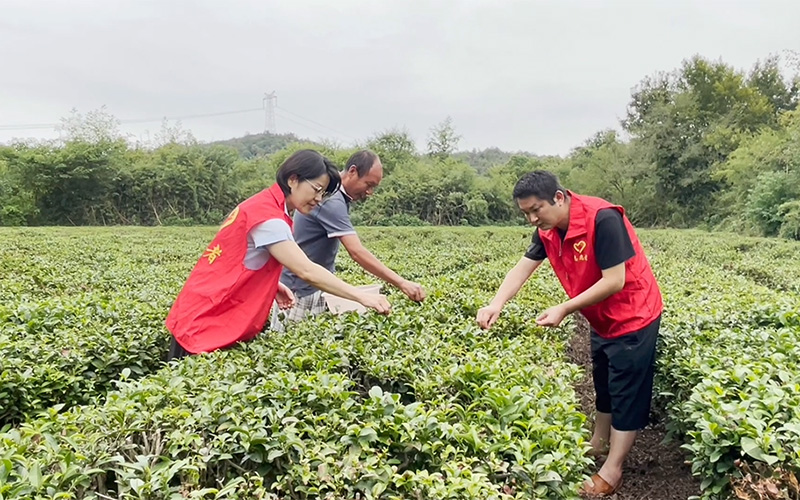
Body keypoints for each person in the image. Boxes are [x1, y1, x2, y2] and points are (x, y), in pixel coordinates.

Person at [475, 170, 662, 497]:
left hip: (634, 314)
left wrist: (564, 308)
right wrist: (496, 304)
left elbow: (614, 280)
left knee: (626, 392)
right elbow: (523, 267)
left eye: (536, 210)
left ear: (558, 198)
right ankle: (599, 443)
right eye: (526, 213)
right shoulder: (547, 230)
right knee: (603, 381)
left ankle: (613, 468)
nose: (532, 218)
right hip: (601, 317)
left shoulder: (602, 220)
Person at [165, 149, 391, 360]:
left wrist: (273, 285)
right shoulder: (270, 219)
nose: (318, 199)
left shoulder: (264, 205)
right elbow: (306, 270)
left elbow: (244, 257)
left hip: (198, 312)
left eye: (323, 193)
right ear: (293, 179)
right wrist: (362, 297)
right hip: (205, 321)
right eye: (316, 189)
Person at [273, 150, 424, 329]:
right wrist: (402, 283)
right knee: (291, 342)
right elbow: (356, 252)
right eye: (368, 184)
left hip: (317, 285)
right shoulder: (331, 200)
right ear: (352, 171)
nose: (369, 192)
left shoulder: (335, 195)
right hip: (299, 290)